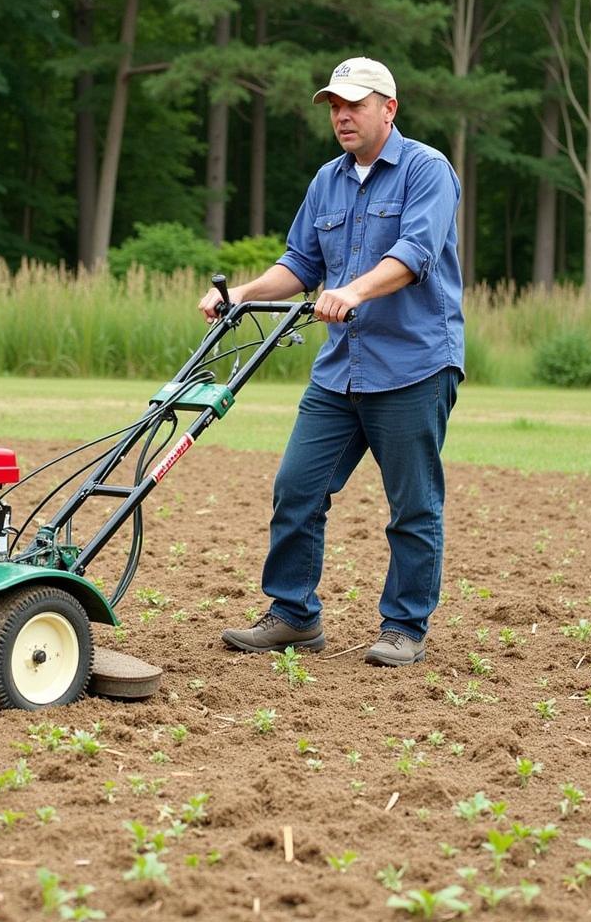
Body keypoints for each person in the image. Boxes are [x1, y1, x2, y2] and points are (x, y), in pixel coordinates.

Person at [199, 56, 464, 667]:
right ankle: (293, 615)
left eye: (355, 105)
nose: (342, 116)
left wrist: (355, 290)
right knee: (297, 487)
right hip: (341, 369)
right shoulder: (328, 180)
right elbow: (299, 264)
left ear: (388, 108)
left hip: (414, 366)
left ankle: (404, 626)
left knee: (412, 504)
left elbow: (415, 253)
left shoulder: (428, 170)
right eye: (334, 107)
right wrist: (239, 293)